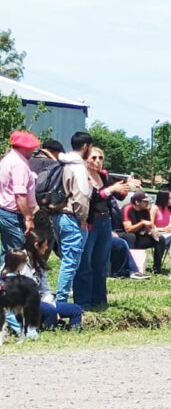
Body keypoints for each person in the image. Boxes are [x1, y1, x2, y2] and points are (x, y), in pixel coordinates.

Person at [74, 147, 134, 309]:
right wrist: (110, 190)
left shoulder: (103, 176)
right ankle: (83, 302)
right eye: (93, 158)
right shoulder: (82, 176)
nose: (98, 161)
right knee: (85, 263)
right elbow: (91, 197)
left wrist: (125, 187)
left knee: (101, 263)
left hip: (105, 221)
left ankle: (99, 300)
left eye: (100, 158)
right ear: (86, 159)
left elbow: (117, 194)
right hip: (89, 223)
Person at [8, 229, 83, 334]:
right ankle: (50, 333)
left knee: (76, 310)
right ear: (36, 245)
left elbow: (45, 289)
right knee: (49, 310)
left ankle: (74, 334)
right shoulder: (21, 261)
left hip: (40, 300)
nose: (47, 248)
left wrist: (51, 303)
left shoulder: (39, 262)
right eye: (45, 245)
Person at [54, 131, 94, 304]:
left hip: (58, 216)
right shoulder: (78, 167)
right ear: (85, 146)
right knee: (70, 263)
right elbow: (81, 197)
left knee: (67, 260)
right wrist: (83, 218)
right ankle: (61, 302)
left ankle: (60, 297)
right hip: (72, 218)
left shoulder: (62, 163)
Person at [0, 130, 40, 265]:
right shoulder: (19, 165)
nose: (33, 150)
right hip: (13, 214)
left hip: (5, 211)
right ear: (24, 147)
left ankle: (3, 280)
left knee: (7, 251)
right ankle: (9, 283)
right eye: (31, 147)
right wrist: (28, 218)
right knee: (17, 253)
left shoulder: (8, 159)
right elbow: (20, 195)